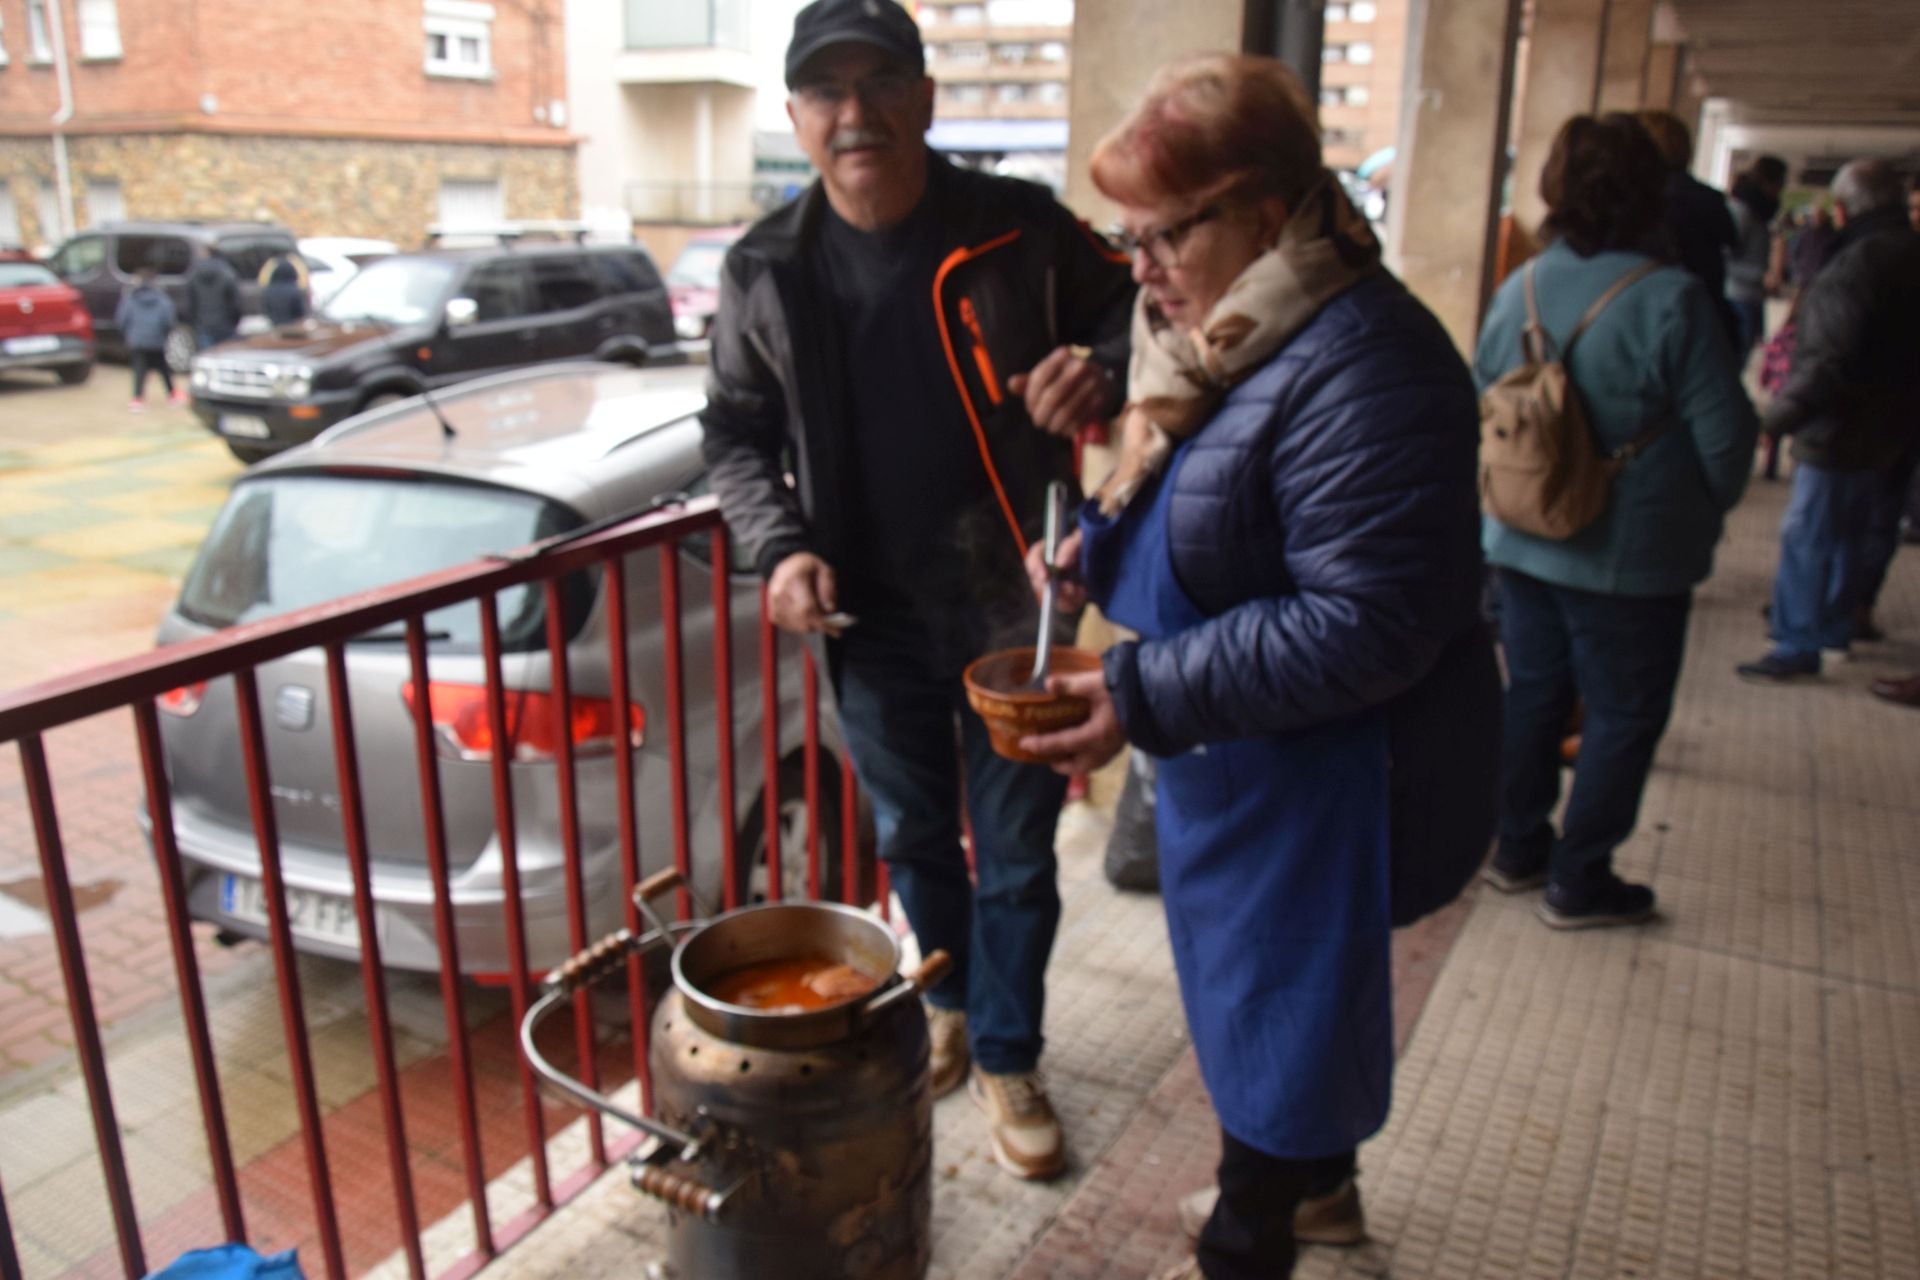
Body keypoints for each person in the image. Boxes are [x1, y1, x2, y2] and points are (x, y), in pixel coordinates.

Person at [1018, 55, 1499, 1280]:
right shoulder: (1231, 333)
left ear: (1267, 210)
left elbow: (1366, 621)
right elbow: (1211, 498)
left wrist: (1139, 693)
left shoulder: (1368, 366)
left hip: (1338, 766)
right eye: (1127, 237)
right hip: (1250, 743)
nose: (1141, 269)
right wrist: (1094, 551)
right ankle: (1318, 1194)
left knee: (1285, 1015)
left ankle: (1256, 1237)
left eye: (1165, 234)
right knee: (1261, 1002)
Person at [698, 0, 1134, 1182]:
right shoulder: (765, 267)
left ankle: (1009, 1051)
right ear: (795, 116)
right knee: (911, 834)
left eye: (879, 83)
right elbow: (734, 436)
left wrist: (1101, 366)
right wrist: (779, 547)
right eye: (826, 92)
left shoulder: (1016, 229)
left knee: (1021, 848)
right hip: (868, 616)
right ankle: (945, 995)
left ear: (924, 98)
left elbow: (1138, 304)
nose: (855, 115)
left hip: (1016, 614)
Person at [1478, 115, 1757, 926]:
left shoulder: (1518, 287)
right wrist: (1701, 509)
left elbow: (1484, 396)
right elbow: (1727, 441)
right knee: (1624, 714)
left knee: (1531, 693)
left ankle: (1514, 845)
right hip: (1632, 557)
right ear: (1651, 192)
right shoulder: (1673, 300)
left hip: (1522, 539)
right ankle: (1580, 876)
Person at [1738, 157, 1920, 682]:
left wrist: (1775, 420)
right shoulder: (1910, 252)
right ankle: (1838, 625)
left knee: (1811, 533)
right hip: (1896, 424)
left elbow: (1826, 361)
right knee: (1862, 530)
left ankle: (1797, 640)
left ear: (1840, 208)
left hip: (1841, 427)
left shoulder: (1854, 266)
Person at [1637, 110, 1739, 346]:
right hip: (1705, 317)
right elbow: (1731, 241)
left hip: (1656, 321)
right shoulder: (1709, 199)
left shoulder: (1641, 203)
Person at [1723, 154, 1786, 365]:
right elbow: (1725, 258)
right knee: (1734, 360)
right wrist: (1761, 276)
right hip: (1737, 297)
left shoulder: (1759, 215)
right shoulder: (1741, 212)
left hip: (1751, 297)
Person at [115, 266, 185, 411]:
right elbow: (168, 320)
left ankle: (138, 398)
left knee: (139, 369)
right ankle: (172, 394)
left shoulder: (130, 297)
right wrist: (165, 334)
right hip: (157, 339)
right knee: (163, 367)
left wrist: (128, 334)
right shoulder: (161, 298)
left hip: (137, 340)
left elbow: (122, 319)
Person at [183, 249, 242, 349]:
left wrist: (194, 321)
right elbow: (235, 302)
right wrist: (234, 320)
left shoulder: (193, 275)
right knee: (227, 355)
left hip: (203, 323)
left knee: (207, 357)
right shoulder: (228, 274)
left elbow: (190, 302)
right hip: (225, 324)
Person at [261, 257, 309, 326]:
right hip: (293, 328)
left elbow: (267, 310)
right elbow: (300, 313)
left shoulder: (269, 291)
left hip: (275, 326)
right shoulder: (294, 290)